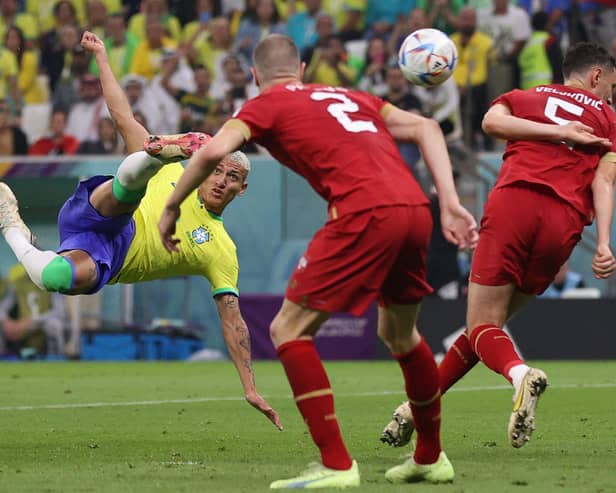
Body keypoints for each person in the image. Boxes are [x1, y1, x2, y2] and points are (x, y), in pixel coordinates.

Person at [159, 33, 478, 489]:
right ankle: (429, 457)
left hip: (364, 211)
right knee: (400, 334)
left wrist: (171, 207)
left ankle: (337, 464)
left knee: (287, 330)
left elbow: (212, 151)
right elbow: (428, 127)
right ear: (303, 71)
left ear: (254, 77)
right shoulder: (350, 95)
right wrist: (448, 203)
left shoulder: (263, 106)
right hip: (413, 209)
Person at [0, 31, 282, 432]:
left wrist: (250, 387)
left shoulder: (222, 250)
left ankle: (11, 225)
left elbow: (233, 321)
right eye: (216, 168)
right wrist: (101, 55)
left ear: (243, 189)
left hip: (103, 256)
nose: (221, 180)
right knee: (131, 183)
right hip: (104, 209)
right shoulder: (176, 173)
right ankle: (157, 150)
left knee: (53, 277)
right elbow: (120, 116)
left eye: (232, 177)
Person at [381, 41, 616, 450]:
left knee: (482, 325)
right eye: (612, 85)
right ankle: (414, 409)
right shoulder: (609, 118)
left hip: (515, 203)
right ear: (596, 76)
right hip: (563, 224)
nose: (612, 94)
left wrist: (553, 130)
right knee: (485, 327)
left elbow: (492, 122)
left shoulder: (528, 96)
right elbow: (605, 180)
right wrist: (605, 242)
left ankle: (520, 375)